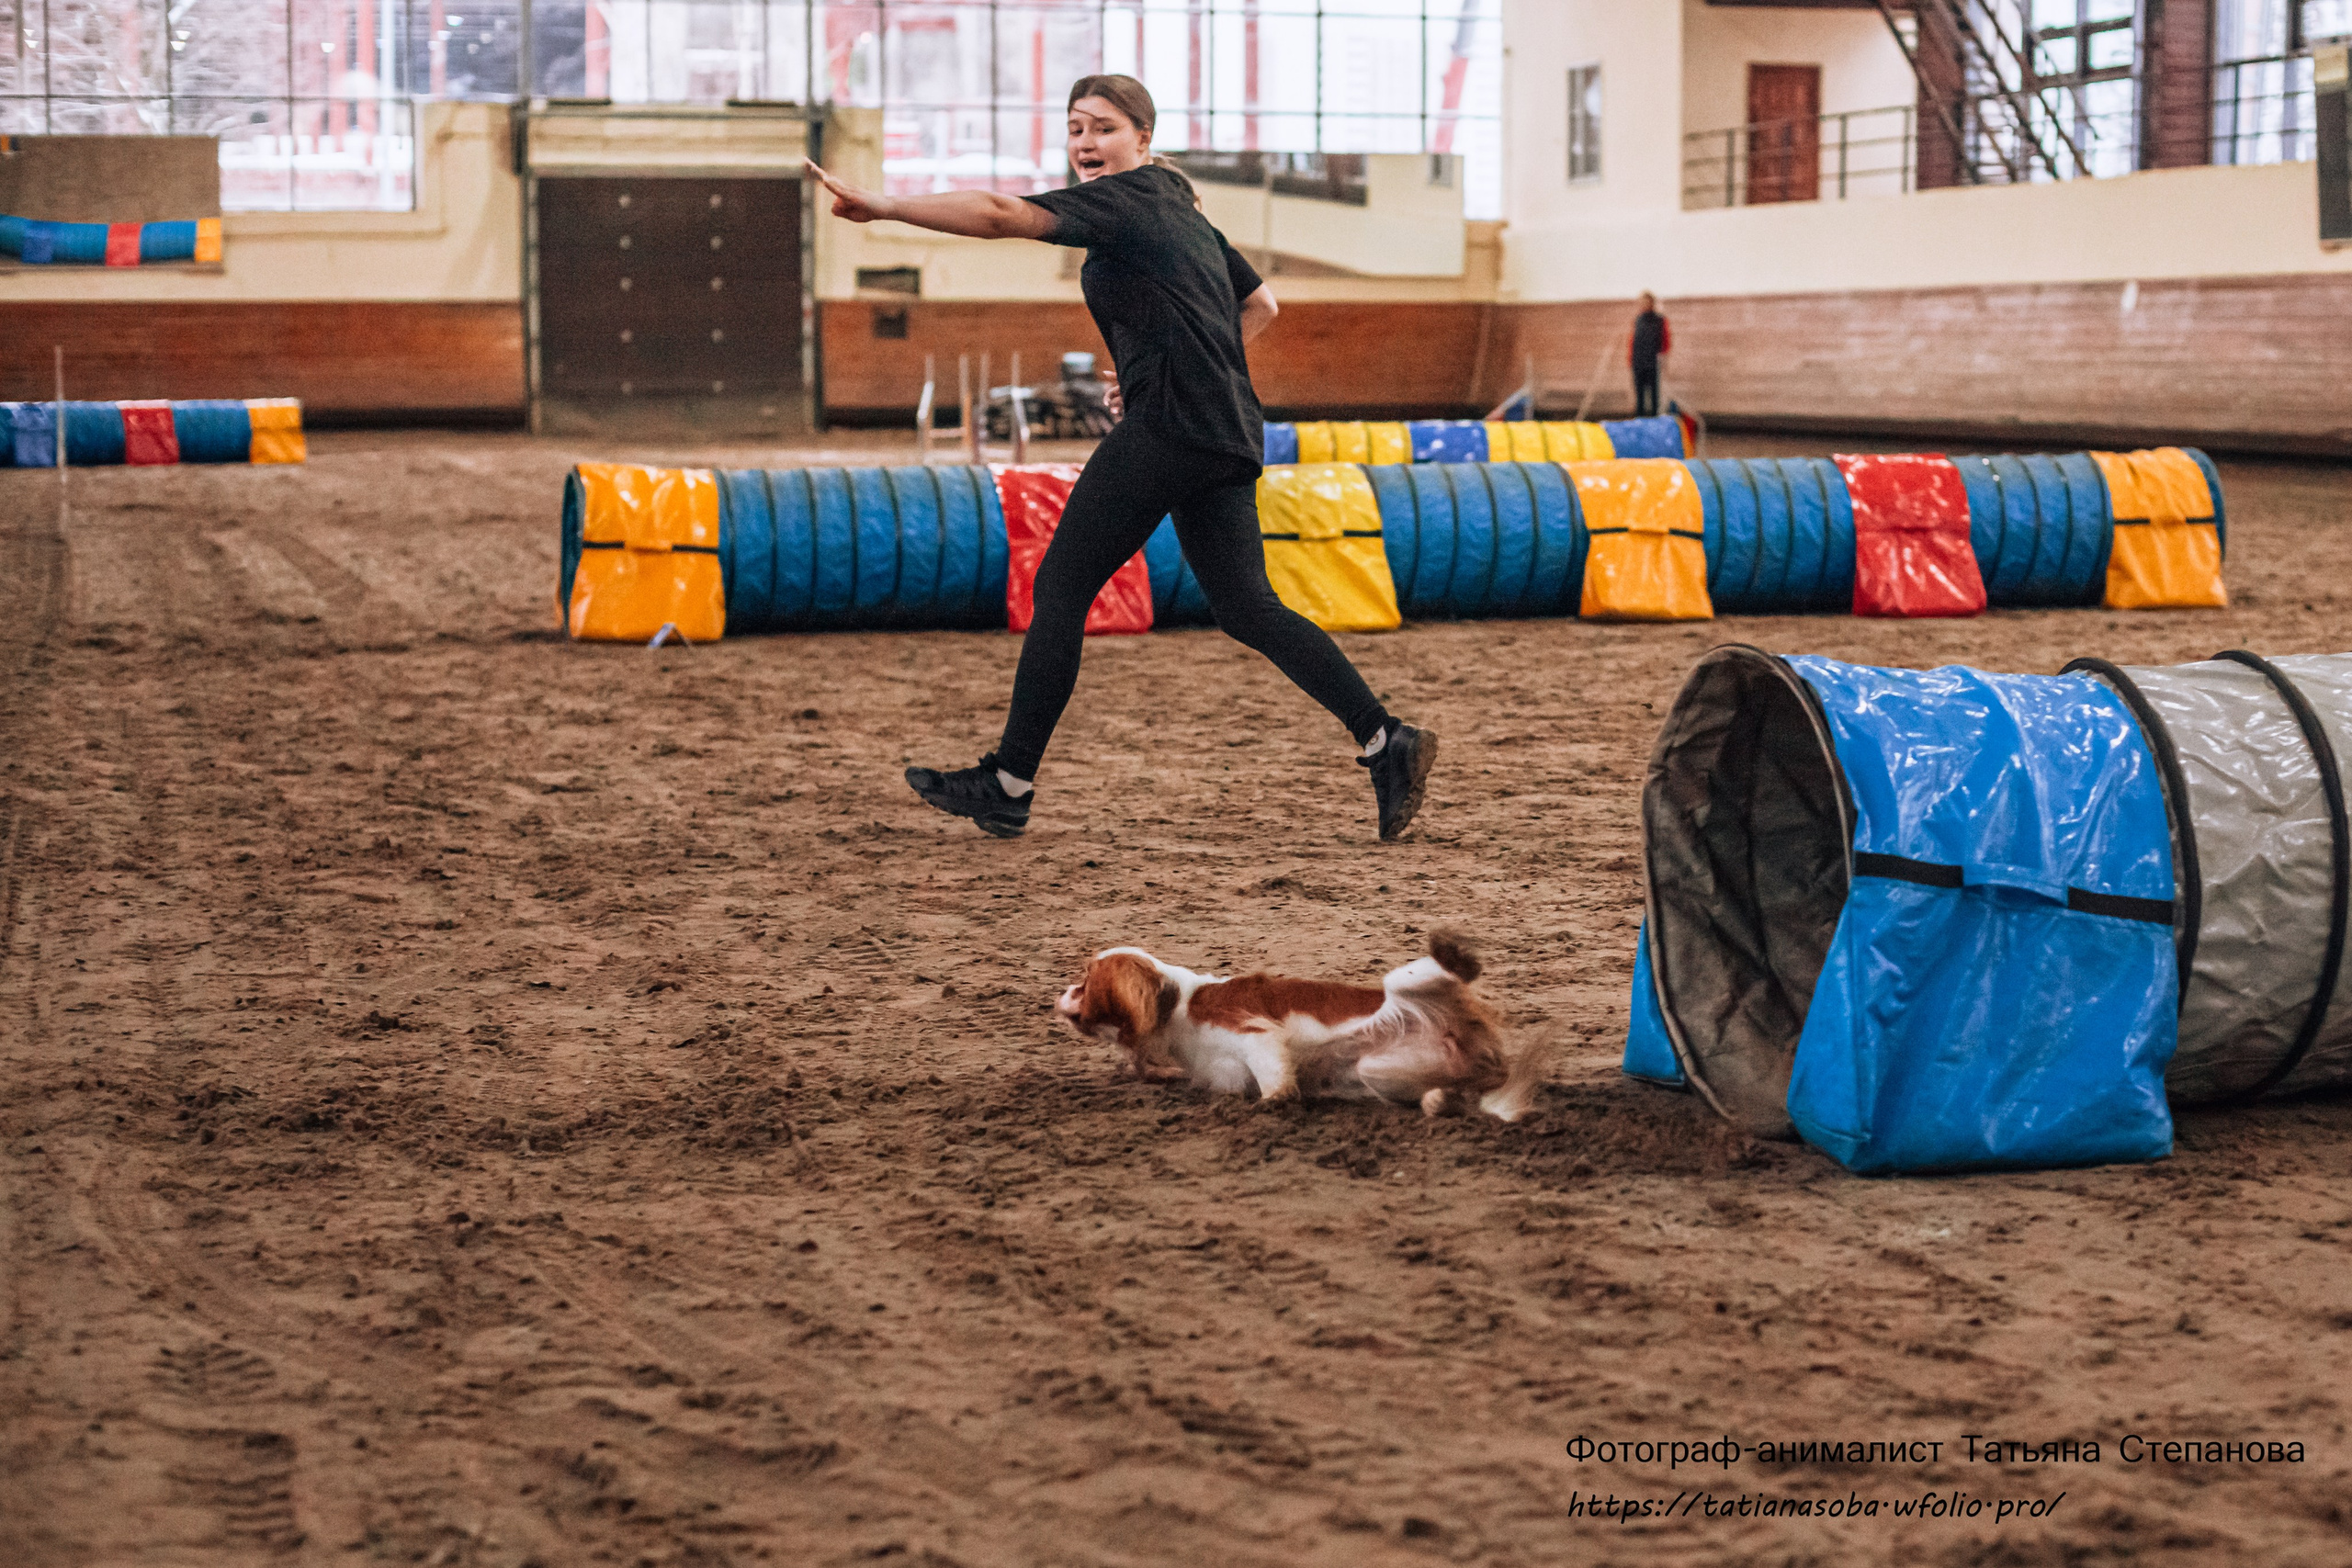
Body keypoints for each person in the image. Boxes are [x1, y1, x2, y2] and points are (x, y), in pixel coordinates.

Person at [804, 73, 1436, 842]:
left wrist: (886, 205)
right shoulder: (1183, 210)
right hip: (1226, 428)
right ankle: (1383, 737)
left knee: (1062, 585)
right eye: (1074, 128)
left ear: (1141, 136)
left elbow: (1003, 214)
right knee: (1245, 606)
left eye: (1102, 127)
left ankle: (1008, 781)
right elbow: (1260, 307)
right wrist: (1172, 361)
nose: (1083, 143)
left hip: (1172, 427)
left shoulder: (1129, 197)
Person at [1630, 291, 1671, 418]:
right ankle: (1640, 419)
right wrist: (1631, 360)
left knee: (1654, 395)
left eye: (1647, 302)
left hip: (1652, 362)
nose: (1644, 305)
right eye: (1642, 302)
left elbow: (1665, 341)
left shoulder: (1660, 320)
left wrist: (1664, 359)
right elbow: (1633, 341)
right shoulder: (1638, 319)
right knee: (1640, 396)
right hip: (1638, 362)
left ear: (1652, 303)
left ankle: (1654, 420)